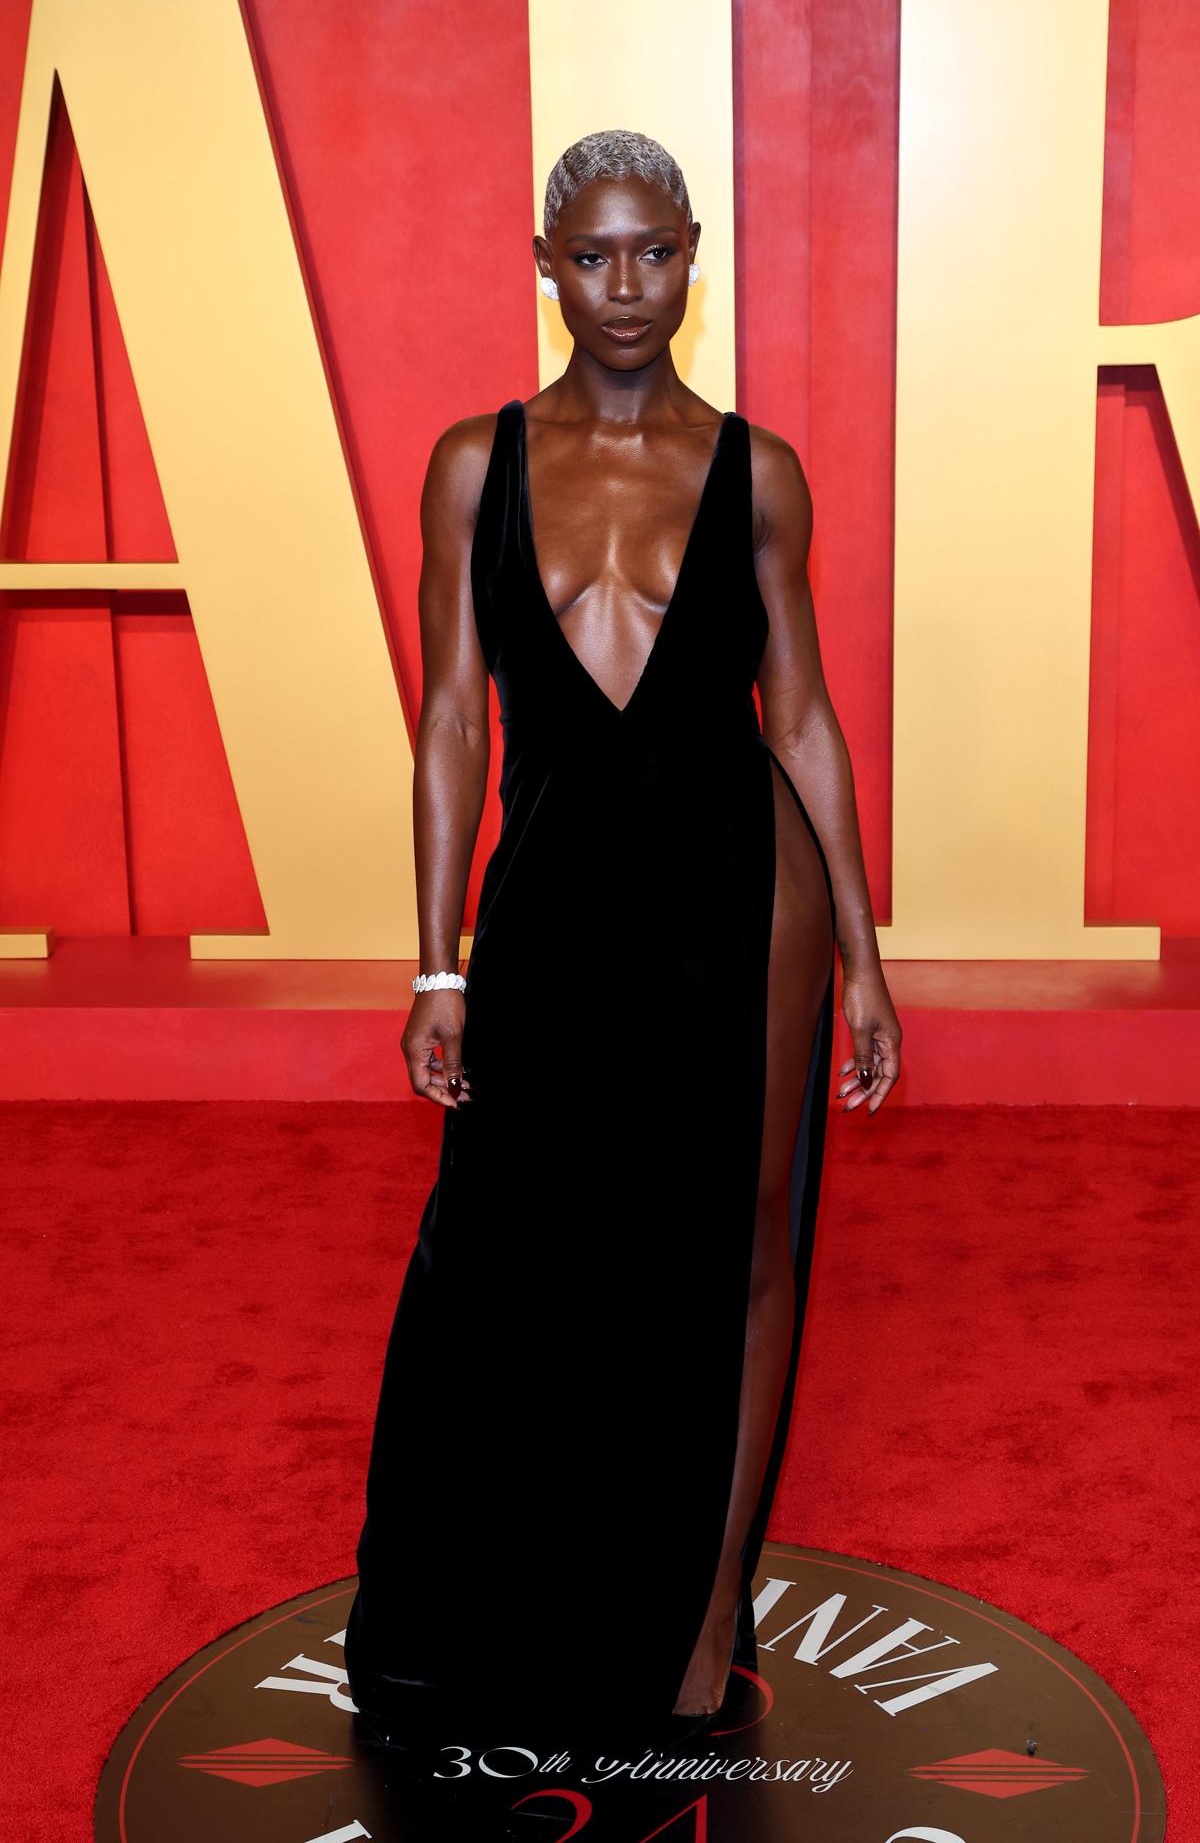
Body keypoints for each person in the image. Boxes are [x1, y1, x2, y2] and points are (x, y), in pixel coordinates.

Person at [343, 129, 901, 1750]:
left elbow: (797, 713)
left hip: (745, 890)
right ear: (545, 263)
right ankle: (503, 1591)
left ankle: (709, 1603)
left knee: (740, 1242)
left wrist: (865, 955)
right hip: (555, 898)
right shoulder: (476, 461)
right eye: (593, 256)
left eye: (656, 252)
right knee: (506, 1250)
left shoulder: (760, 470)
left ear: (693, 255)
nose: (627, 287)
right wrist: (437, 960)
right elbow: (453, 714)